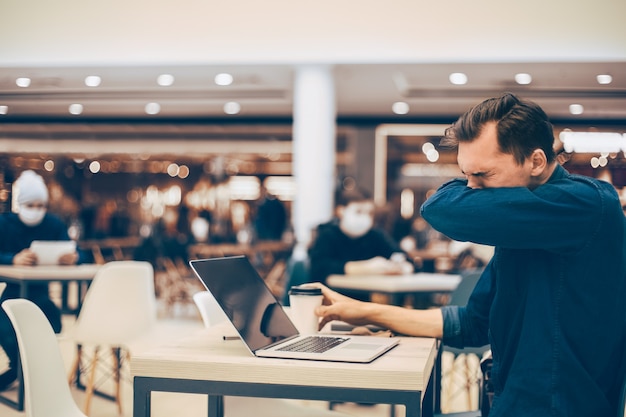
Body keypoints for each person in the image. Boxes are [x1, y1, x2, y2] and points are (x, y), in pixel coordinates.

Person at [314, 93, 626, 417]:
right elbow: (471, 323)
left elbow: (440, 208)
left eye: (483, 176)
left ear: (535, 161)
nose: (471, 189)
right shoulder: (520, 225)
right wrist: (364, 311)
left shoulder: (588, 205)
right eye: (466, 175)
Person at [0, 170, 83, 391]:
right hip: (12, 296)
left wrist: (74, 257)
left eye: (41, 205)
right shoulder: (4, 224)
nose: (36, 210)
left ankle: (22, 372)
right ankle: (24, 370)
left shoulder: (53, 225)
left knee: (51, 323)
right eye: (30, 204)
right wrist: (12, 259)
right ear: (20, 204)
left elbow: (82, 254)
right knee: (6, 328)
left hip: (42, 298)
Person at [308, 188, 413, 287]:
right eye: (358, 211)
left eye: (369, 213)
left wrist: (400, 266)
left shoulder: (375, 236)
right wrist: (365, 268)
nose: (364, 217)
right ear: (341, 211)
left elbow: (403, 257)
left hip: (364, 301)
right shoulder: (327, 235)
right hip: (330, 298)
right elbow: (319, 268)